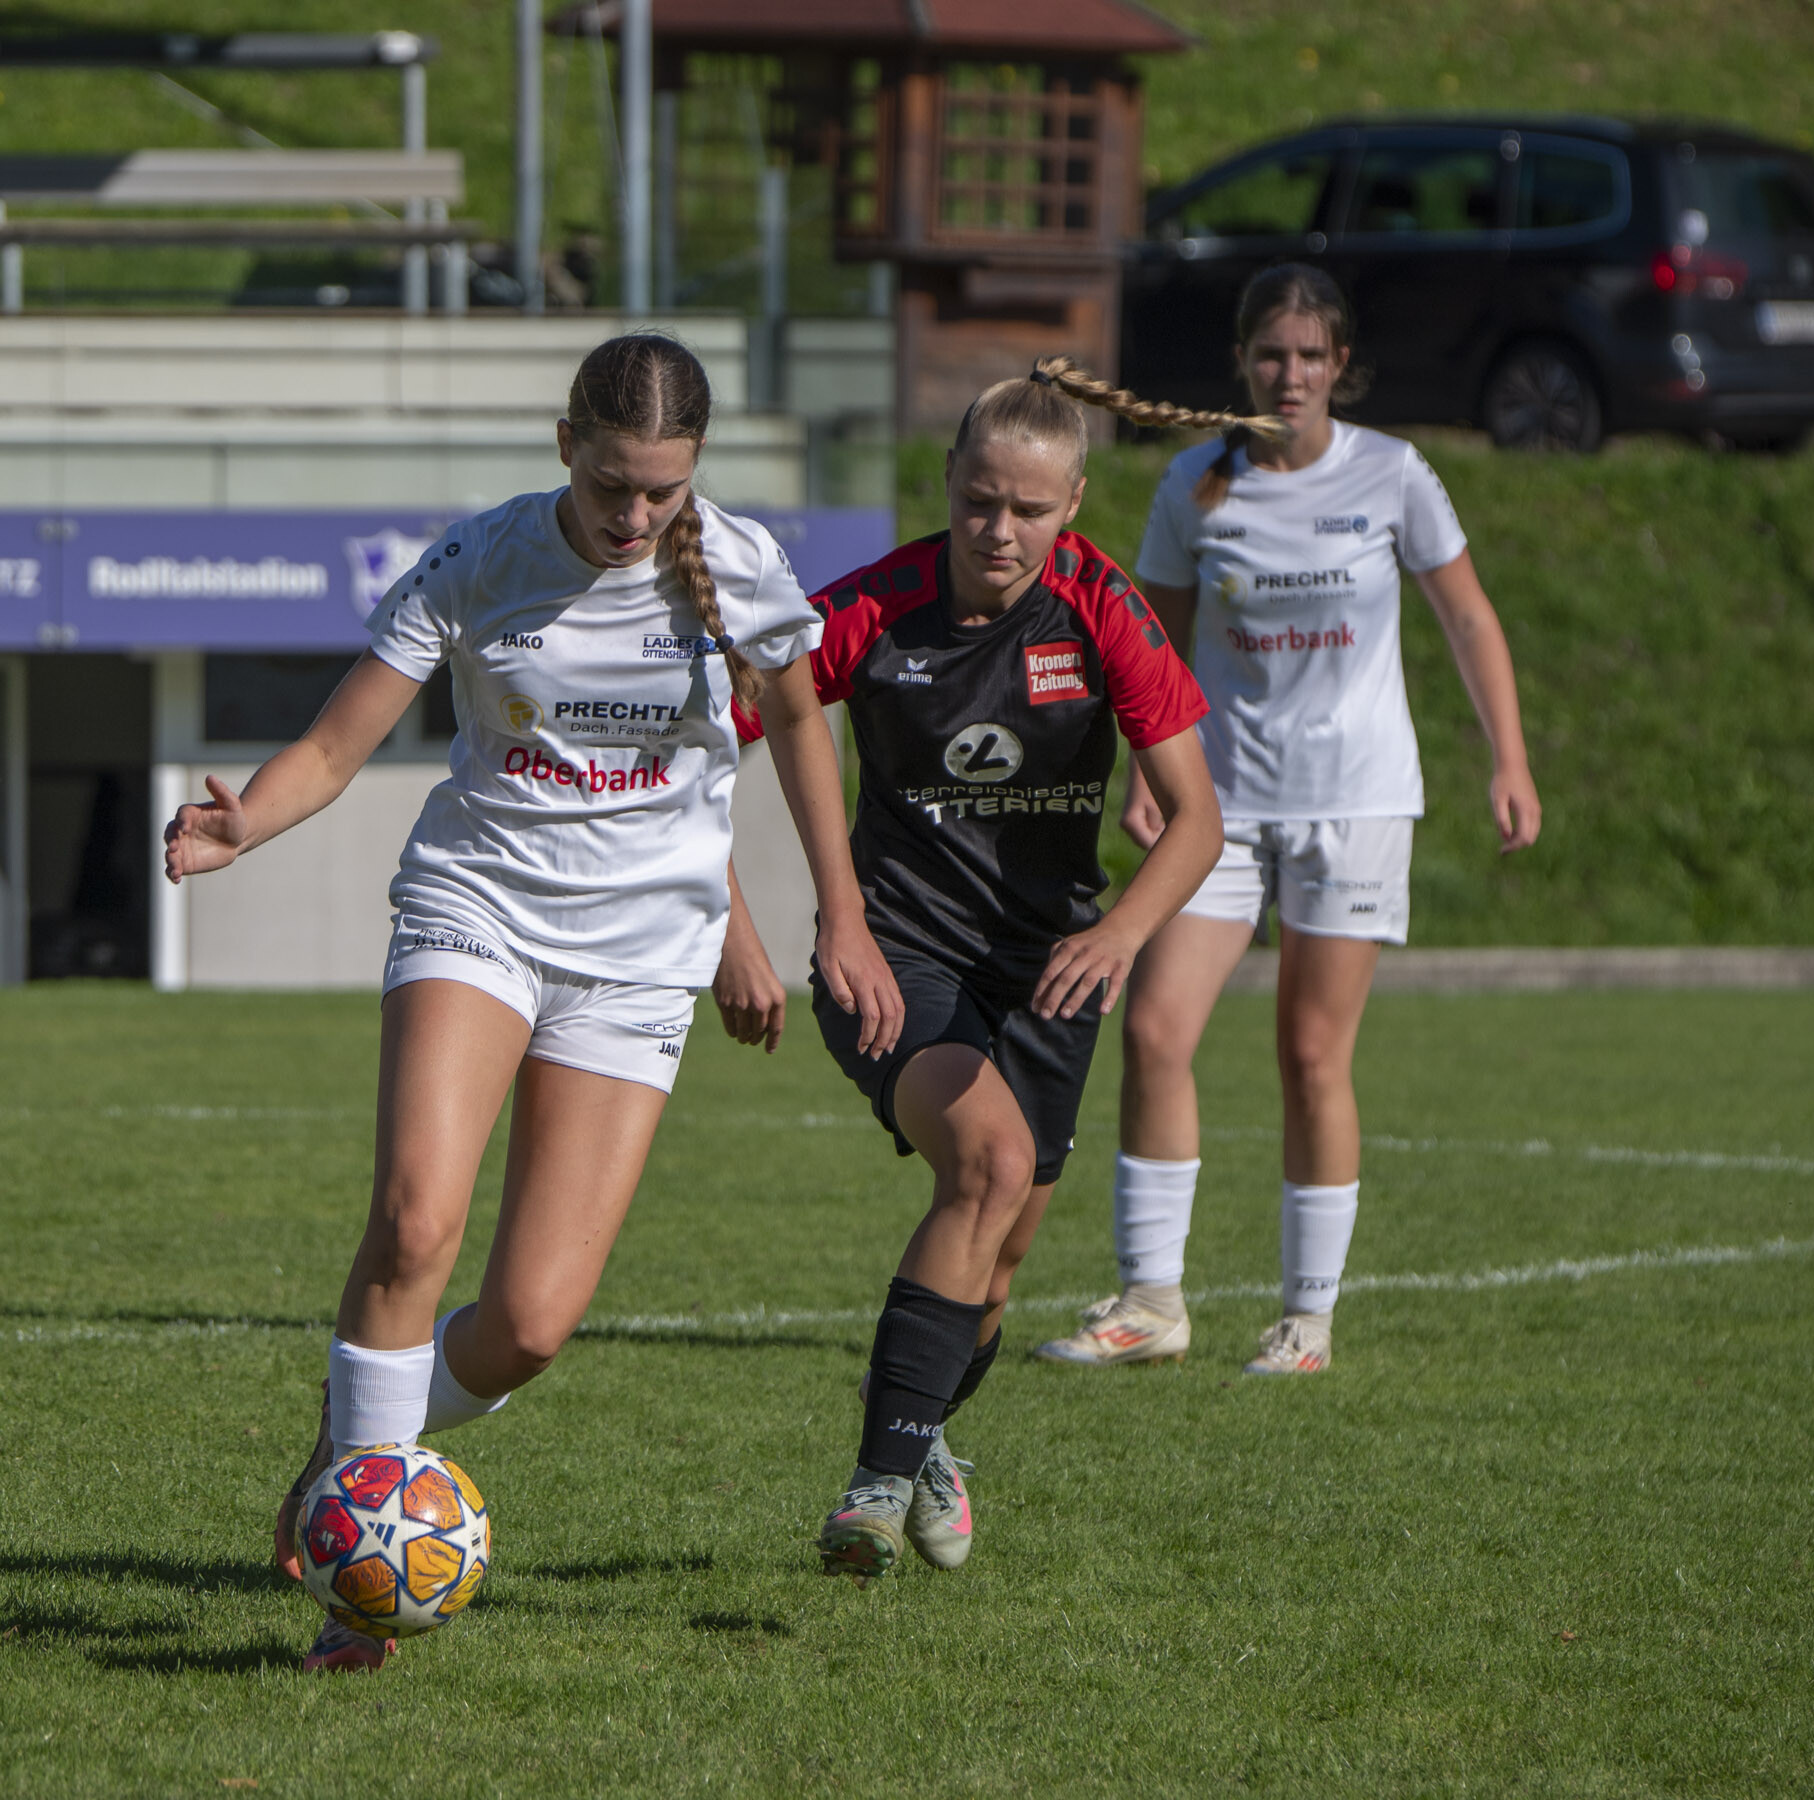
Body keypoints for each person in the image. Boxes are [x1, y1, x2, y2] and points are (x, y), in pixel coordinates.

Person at [164, 335, 900, 1670]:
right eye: (614, 484)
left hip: (640, 957)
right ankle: (357, 1588)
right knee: (413, 1224)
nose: (636, 516)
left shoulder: (741, 568)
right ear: (567, 447)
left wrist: (836, 919)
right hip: (479, 911)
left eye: (664, 489)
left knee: (530, 1328)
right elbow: (334, 743)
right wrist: (246, 822)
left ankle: (352, 1428)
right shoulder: (479, 560)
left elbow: (799, 724)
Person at [712, 359, 1248, 1579]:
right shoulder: (871, 609)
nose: (999, 531)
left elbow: (1198, 820)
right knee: (989, 1163)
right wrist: (745, 929)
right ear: (948, 479)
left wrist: (1119, 934)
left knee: (999, 1259)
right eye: (978, 501)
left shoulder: (1101, 607)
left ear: (1073, 507)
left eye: (1030, 509)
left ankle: (923, 1429)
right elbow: (699, 751)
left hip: (1052, 969)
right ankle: (875, 1487)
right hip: (891, 954)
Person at [1035, 263, 1540, 1380]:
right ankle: (1151, 1303)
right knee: (1155, 1030)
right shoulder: (1194, 484)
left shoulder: (1393, 473)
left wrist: (1508, 759)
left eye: (1312, 356)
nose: (1292, 374)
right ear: (1243, 362)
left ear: (1340, 366)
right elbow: (1151, 648)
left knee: (1312, 1053)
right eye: (1273, 354)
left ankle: (1306, 1320)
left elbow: (1468, 618)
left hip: (1355, 802)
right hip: (1217, 809)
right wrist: (1148, 774)